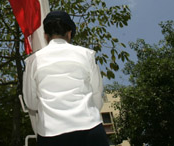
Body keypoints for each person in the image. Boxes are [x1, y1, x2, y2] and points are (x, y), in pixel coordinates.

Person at [22, 11, 109, 146]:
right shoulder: (86, 54)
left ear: (46, 36)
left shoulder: (33, 61)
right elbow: (96, 96)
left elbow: (31, 103)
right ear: (69, 33)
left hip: (50, 134)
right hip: (90, 128)